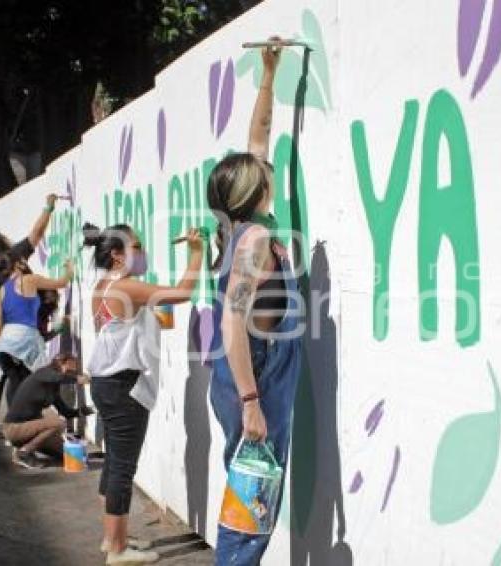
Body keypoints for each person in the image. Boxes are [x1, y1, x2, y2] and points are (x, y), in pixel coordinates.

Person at [206, 38, 303, 565]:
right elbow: (231, 326)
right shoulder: (256, 241)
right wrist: (251, 402)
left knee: (248, 493)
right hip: (255, 375)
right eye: (262, 173)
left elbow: (258, 139)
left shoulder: (236, 225)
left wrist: (269, 74)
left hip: (240, 374)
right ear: (257, 189)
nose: (268, 170)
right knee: (252, 505)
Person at [84, 222, 203, 565]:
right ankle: (117, 550)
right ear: (117, 254)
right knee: (123, 468)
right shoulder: (127, 287)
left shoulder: (102, 287)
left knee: (113, 465)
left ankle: (113, 538)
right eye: (136, 246)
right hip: (123, 388)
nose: (143, 252)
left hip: (107, 385)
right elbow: (182, 293)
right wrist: (196, 253)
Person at [0, 193, 57, 427]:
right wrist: (48, 207)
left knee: (1, 375)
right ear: (0, 245)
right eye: (5, 239)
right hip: (10, 329)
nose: (10, 240)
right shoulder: (11, 259)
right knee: (18, 375)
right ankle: (16, 423)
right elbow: (36, 235)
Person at [0, 251, 73, 406]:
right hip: (26, 337)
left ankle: (14, 421)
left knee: (15, 380)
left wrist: (1, 347)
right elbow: (61, 283)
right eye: (24, 260)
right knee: (39, 378)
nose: (27, 263)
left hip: (6, 340)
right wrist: (69, 268)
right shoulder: (30, 280)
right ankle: (31, 417)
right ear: (17, 264)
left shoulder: (1, 291)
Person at [3, 354, 92, 469]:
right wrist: (78, 379)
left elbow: (66, 412)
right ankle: (24, 453)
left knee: (66, 454)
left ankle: (22, 449)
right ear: (60, 363)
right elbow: (58, 377)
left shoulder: (53, 388)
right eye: (69, 368)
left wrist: (85, 411)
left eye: (74, 370)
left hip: (29, 430)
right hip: (14, 428)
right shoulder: (43, 373)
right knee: (59, 423)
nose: (71, 372)